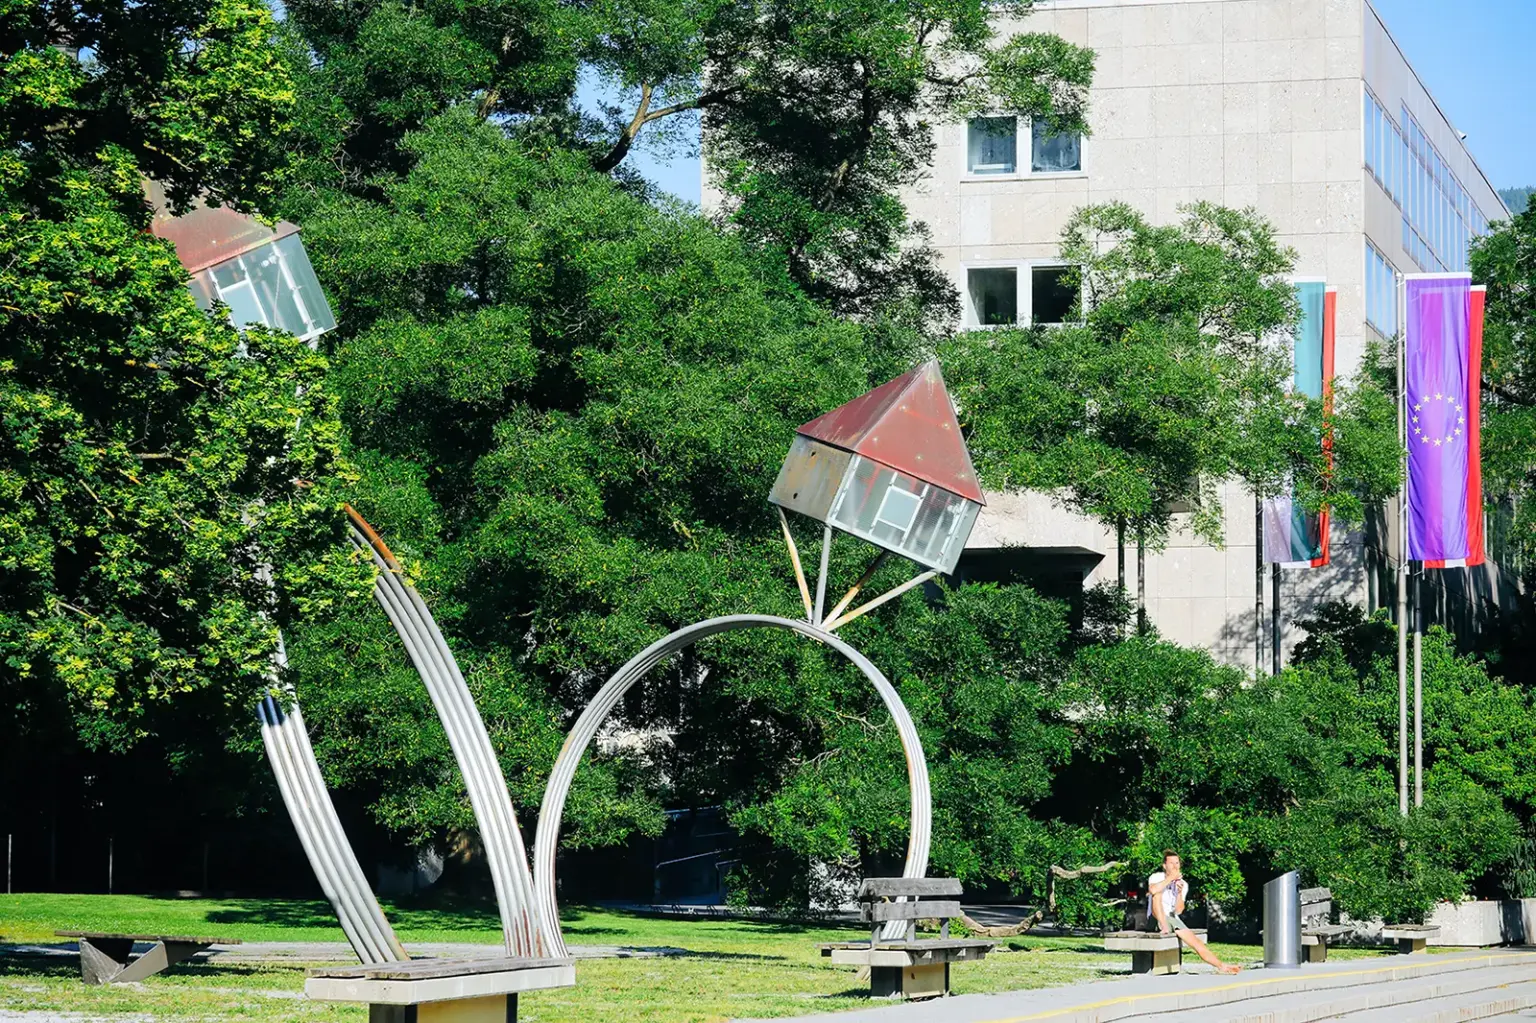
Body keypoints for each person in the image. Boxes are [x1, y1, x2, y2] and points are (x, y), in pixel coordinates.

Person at [1147, 850, 1241, 975]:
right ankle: (1163, 926)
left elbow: (1179, 910)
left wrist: (1179, 893)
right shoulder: (1157, 877)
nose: (1175, 866)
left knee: (1195, 942)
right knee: (1156, 894)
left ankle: (1222, 966)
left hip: (1172, 918)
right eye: (1171, 863)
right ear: (1165, 866)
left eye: (1177, 863)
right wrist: (1170, 878)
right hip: (1155, 918)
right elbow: (1153, 890)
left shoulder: (1183, 884)